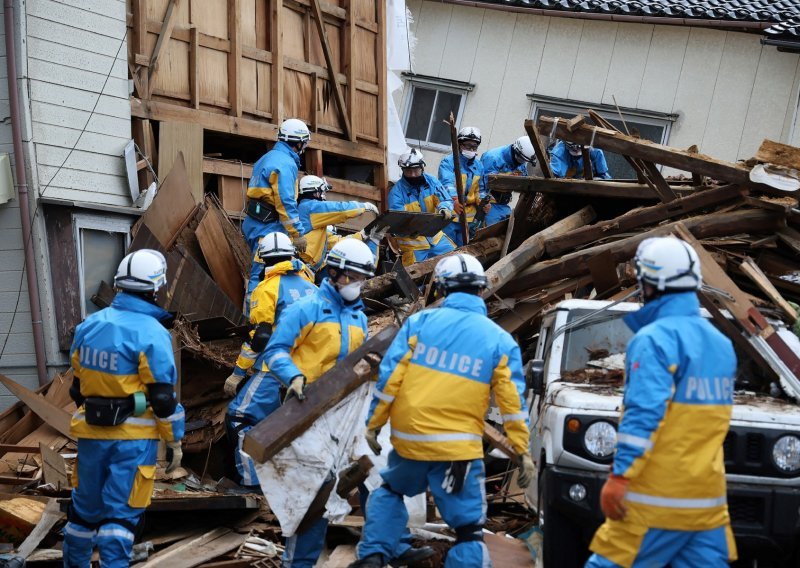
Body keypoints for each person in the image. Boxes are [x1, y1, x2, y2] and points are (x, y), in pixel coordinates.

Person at [350, 253, 536, 568]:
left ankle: (373, 556)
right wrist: (521, 450)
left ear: (442, 289)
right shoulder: (500, 341)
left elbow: (390, 380)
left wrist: (373, 424)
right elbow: (512, 404)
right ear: (481, 290)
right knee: (468, 530)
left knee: (392, 490)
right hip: (457, 450)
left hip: (412, 439)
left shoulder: (419, 324)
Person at [264, 240, 430, 568]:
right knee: (316, 493)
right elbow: (275, 350)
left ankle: (393, 546)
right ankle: (298, 564)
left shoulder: (357, 315)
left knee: (376, 470)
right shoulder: (306, 308)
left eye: (362, 277)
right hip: (306, 413)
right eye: (352, 275)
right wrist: (294, 376)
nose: (356, 283)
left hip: (346, 412)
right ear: (334, 270)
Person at [585, 236, 738, 568]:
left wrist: (620, 477)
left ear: (650, 283)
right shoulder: (721, 344)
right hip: (706, 506)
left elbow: (644, 415)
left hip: (654, 502)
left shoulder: (654, 340)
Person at [63, 249, 185, 567]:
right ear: (155, 289)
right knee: (119, 519)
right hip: (131, 443)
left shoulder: (88, 327)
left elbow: (77, 388)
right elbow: (162, 399)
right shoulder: (152, 333)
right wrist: (173, 440)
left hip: (91, 437)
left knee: (82, 515)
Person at [224, 233, 317, 488]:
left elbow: (261, 337)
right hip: (309, 371)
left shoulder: (266, 288)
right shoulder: (313, 287)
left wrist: (238, 372)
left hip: (273, 370)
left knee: (239, 418)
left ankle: (251, 484)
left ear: (263, 259)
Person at [244, 118, 311, 301]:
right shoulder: (286, 164)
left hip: (255, 221)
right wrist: (297, 234)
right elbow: (285, 201)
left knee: (267, 269)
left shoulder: (266, 158)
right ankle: (255, 320)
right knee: (261, 271)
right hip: (267, 226)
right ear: (298, 142)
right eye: (304, 143)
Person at [296, 175, 380, 273]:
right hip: (302, 269)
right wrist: (364, 206)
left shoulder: (315, 222)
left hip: (307, 269)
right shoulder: (309, 207)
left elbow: (336, 242)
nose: (324, 195)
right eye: (322, 191)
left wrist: (361, 235)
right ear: (316, 192)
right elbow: (340, 209)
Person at [390, 149, 456, 266]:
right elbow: (397, 221)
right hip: (412, 243)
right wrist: (409, 230)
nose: (413, 174)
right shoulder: (396, 193)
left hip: (435, 237)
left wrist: (444, 208)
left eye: (416, 170)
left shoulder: (432, 181)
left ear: (422, 167)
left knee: (455, 260)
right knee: (414, 277)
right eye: (409, 171)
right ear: (403, 170)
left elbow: (446, 199)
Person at [438, 127, 489, 246]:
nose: (471, 149)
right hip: (451, 215)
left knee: (464, 251)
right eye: (467, 146)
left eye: (474, 147)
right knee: (447, 250)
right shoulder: (448, 162)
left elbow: (481, 189)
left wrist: (483, 202)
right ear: (459, 144)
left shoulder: (479, 166)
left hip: (469, 219)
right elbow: (446, 184)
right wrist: (454, 200)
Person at [481, 136, 537, 226]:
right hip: (489, 204)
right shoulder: (493, 158)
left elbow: (524, 181)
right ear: (516, 151)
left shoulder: (521, 162)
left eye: (525, 161)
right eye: (522, 159)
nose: (522, 162)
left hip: (504, 205)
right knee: (490, 233)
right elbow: (482, 184)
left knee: (511, 227)